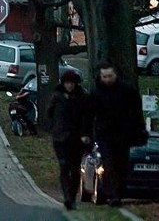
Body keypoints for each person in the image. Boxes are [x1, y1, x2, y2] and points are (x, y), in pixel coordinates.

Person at [82, 61, 145, 207]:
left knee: (122, 164)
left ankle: (118, 191)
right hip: (105, 134)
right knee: (109, 164)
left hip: (123, 133)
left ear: (115, 75)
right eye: (104, 76)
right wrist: (86, 133)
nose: (107, 79)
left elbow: (136, 111)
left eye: (110, 76)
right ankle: (113, 195)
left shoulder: (127, 91)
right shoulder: (96, 93)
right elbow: (88, 115)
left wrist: (139, 128)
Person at [47, 69, 87, 210]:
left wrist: (84, 134)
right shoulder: (57, 96)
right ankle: (67, 197)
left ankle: (72, 195)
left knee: (75, 168)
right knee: (64, 166)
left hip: (76, 138)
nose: (69, 86)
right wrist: (54, 127)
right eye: (67, 83)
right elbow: (50, 113)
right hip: (60, 137)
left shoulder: (81, 97)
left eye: (72, 83)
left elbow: (86, 117)